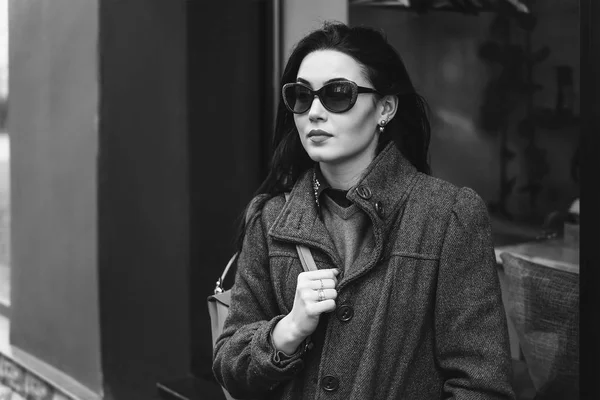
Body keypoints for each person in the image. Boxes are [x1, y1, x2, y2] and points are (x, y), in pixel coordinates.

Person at [212, 21, 515, 399]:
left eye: (338, 94)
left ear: (385, 108)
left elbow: (481, 384)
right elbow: (230, 368)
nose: (315, 113)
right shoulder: (272, 219)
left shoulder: (447, 217)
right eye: (302, 96)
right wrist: (286, 331)